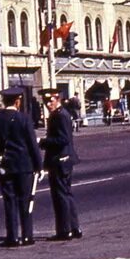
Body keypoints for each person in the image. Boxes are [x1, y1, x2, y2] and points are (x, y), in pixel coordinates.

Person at [0, 87, 43, 247]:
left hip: (5, 166)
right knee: (25, 201)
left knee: (9, 201)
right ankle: (27, 236)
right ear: (18, 101)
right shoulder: (23, 119)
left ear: (3, 101)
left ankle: (12, 236)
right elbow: (32, 144)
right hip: (24, 166)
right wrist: (39, 166)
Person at [39, 89, 82, 241]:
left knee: (60, 195)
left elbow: (62, 139)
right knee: (66, 193)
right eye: (45, 102)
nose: (48, 104)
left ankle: (64, 231)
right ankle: (74, 227)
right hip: (64, 159)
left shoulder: (60, 115)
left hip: (60, 159)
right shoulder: (60, 114)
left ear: (58, 99)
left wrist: (43, 142)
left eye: (51, 100)